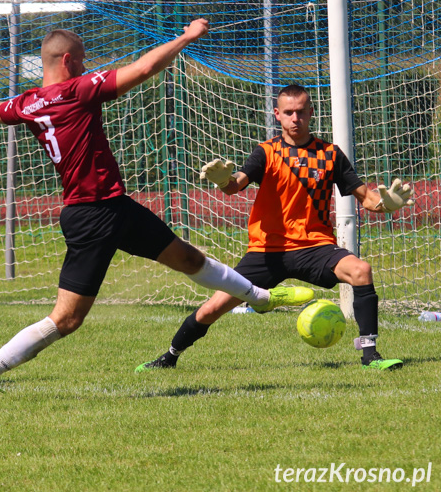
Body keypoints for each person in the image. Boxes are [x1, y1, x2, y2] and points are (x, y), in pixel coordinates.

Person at [0, 20, 313, 404]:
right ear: (67, 61)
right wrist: (185, 37)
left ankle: (261, 298)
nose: (86, 68)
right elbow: (145, 68)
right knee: (67, 319)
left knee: (186, 256)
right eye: (82, 61)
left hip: (113, 207)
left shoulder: (29, 102)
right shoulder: (76, 91)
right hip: (92, 216)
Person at [137, 84, 413, 372]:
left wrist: (387, 204)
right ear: (277, 114)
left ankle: (370, 356)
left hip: (315, 247)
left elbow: (367, 199)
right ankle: (168, 357)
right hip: (266, 251)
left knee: (361, 270)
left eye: (302, 112)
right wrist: (222, 181)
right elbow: (236, 185)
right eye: (289, 113)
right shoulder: (266, 152)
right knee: (212, 308)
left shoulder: (331, 154)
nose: (296, 119)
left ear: (311, 113)